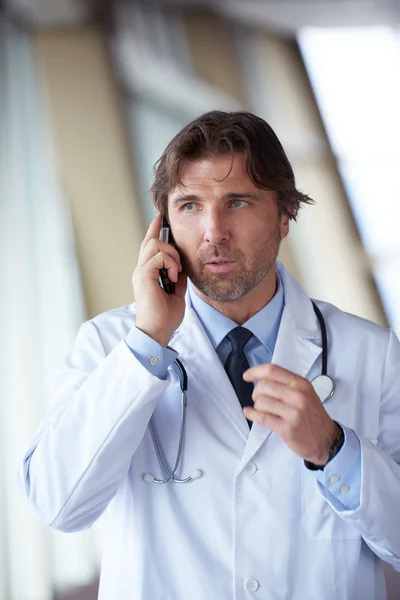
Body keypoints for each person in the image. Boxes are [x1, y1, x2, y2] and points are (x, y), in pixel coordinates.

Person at [19, 111, 400, 600]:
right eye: (190, 206)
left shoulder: (374, 354)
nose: (213, 231)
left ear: (286, 216)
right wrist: (148, 341)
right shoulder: (109, 345)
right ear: (163, 228)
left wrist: (333, 450)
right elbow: (58, 506)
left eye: (237, 202)